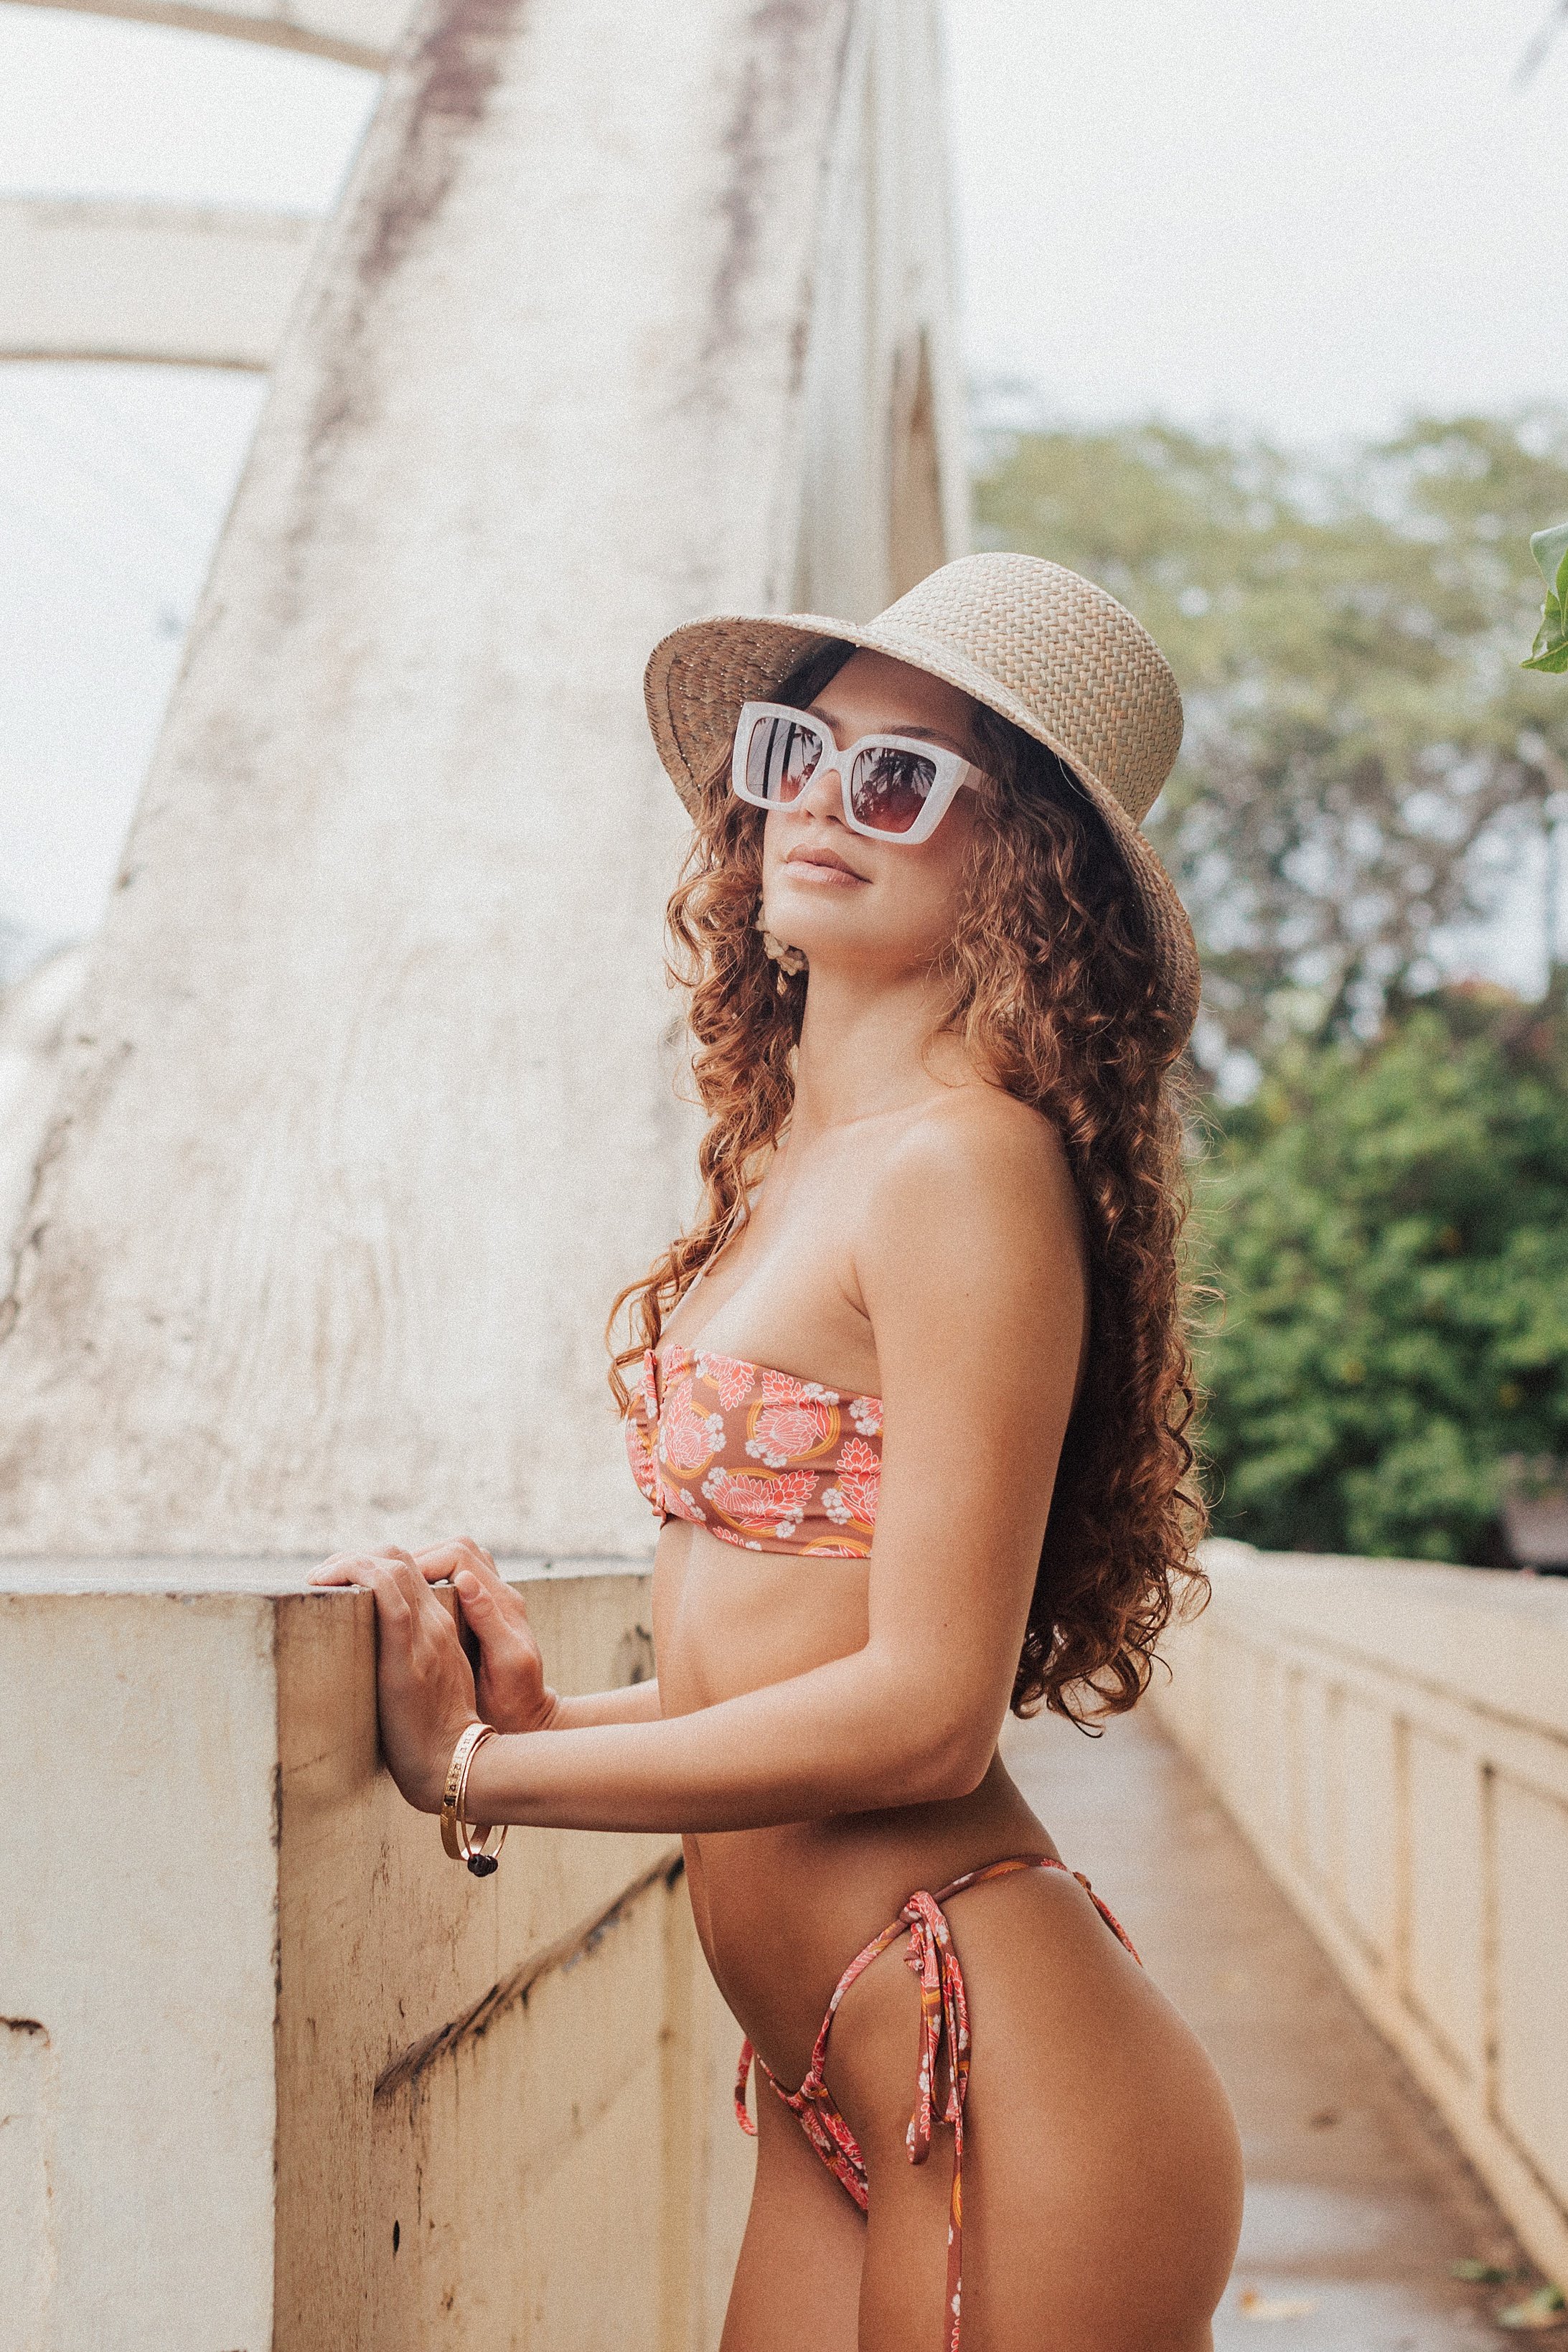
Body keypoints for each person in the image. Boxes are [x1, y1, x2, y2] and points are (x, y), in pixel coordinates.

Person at [313, 553, 1245, 2350]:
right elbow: (781, 1658)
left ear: (1025, 860)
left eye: (900, 776)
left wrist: (478, 1776)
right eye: (795, 751)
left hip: (995, 2064)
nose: (821, 800)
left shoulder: (965, 1166)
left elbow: (924, 1715)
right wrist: (539, 1721)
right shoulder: (791, 1169)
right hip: (836, 2070)